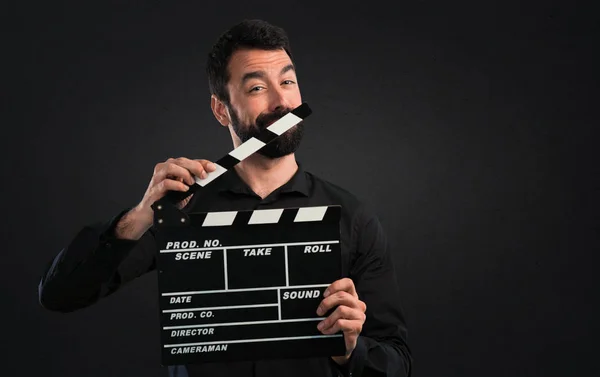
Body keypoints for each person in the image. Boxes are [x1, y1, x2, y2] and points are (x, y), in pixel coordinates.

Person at [38, 19, 412, 377]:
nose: (282, 101)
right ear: (221, 109)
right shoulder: (180, 210)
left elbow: (397, 362)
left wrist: (350, 350)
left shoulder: (352, 217)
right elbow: (60, 294)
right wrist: (139, 216)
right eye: (256, 88)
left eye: (288, 81)